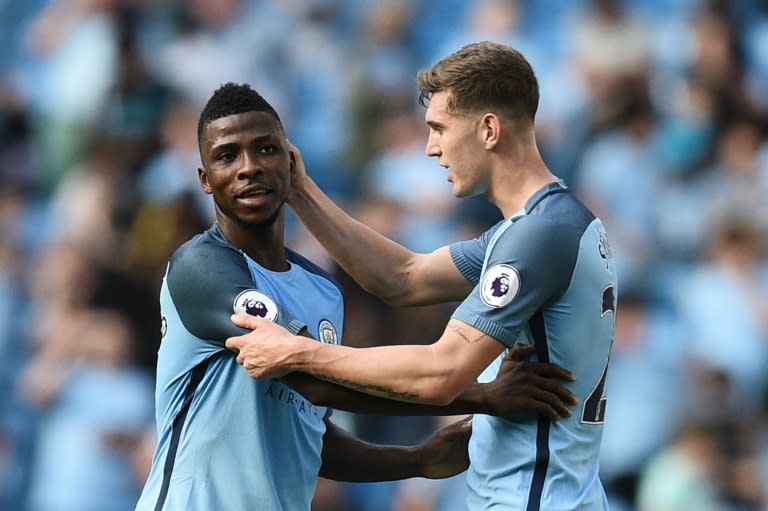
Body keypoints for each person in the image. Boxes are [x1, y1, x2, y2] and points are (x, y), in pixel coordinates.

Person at [134, 82, 578, 511]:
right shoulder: (202, 268)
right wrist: (479, 396)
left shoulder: (322, 288)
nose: (249, 166)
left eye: (266, 149)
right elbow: (307, 375)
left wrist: (418, 460)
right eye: (227, 156)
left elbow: (311, 428)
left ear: (291, 162)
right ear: (205, 179)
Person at [226, 41, 618, 510]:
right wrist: (301, 190)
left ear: (489, 129)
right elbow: (404, 277)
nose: (432, 148)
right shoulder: (543, 227)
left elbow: (443, 372)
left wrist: (300, 352)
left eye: (439, 129)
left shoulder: (539, 238)